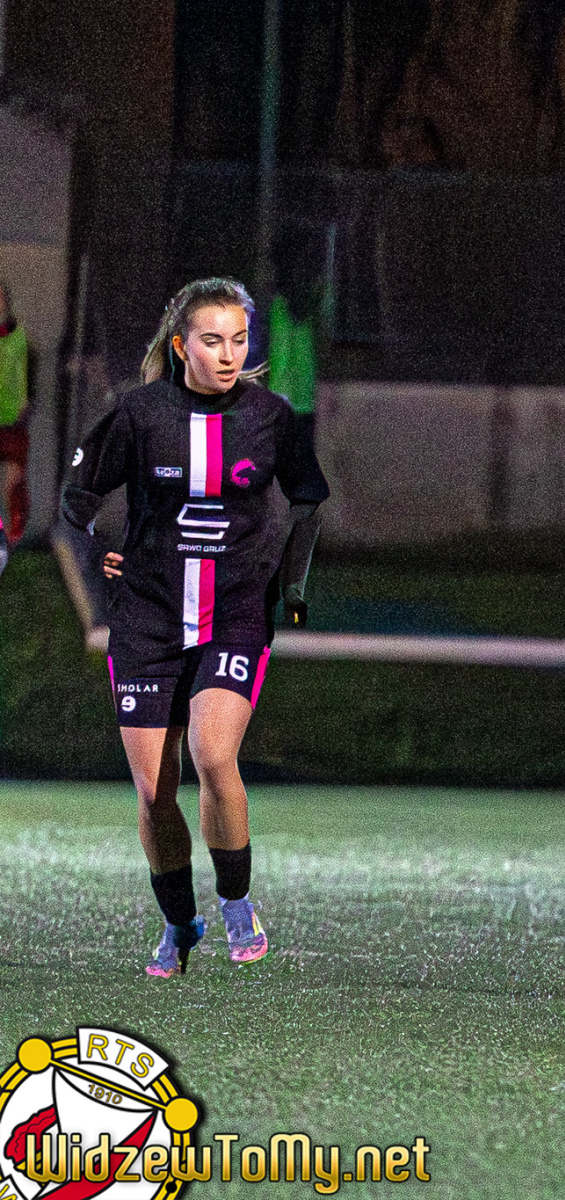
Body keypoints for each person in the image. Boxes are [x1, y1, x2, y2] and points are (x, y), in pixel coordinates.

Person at [61, 277, 330, 978]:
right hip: (147, 620)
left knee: (213, 755)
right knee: (155, 791)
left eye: (239, 340)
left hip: (234, 616)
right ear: (182, 346)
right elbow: (77, 498)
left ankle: (237, 902)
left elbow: (308, 499)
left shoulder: (271, 417)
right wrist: (100, 549)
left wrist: (292, 587)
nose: (229, 354)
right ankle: (180, 923)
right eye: (213, 341)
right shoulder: (139, 414)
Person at [0, 281, 30, 546]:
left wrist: (24, 402)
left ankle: (13, 535)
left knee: (14, 481)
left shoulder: (17, 336)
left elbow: (22, 373)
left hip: (12, 422)